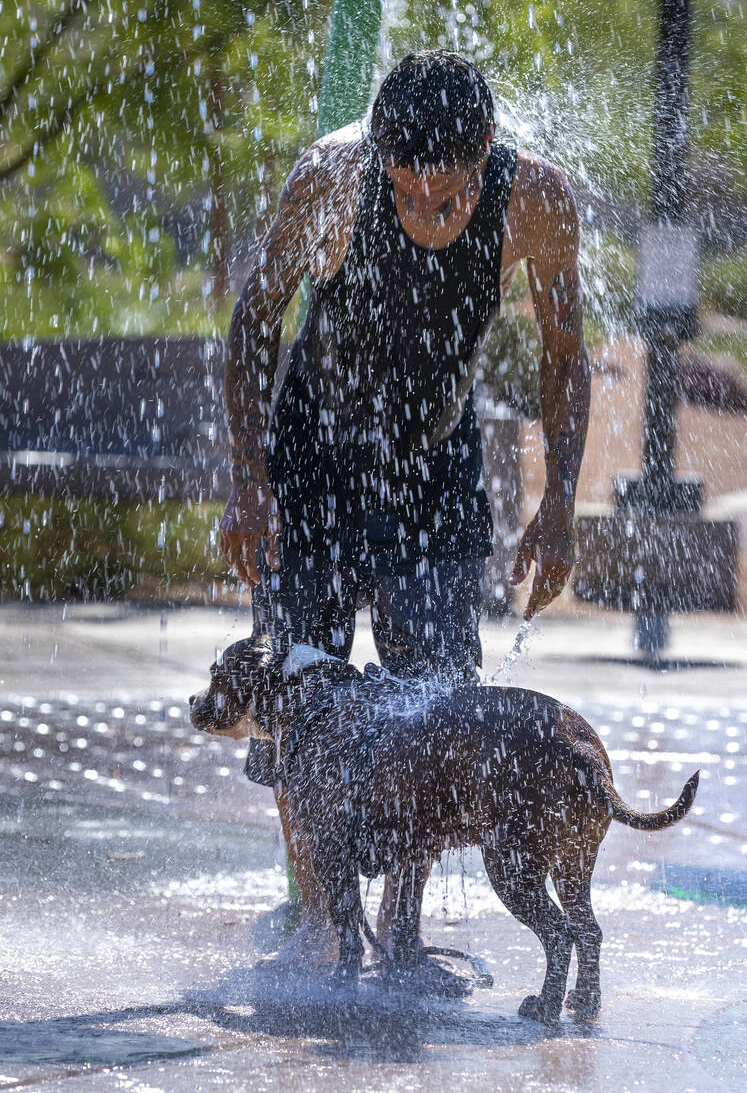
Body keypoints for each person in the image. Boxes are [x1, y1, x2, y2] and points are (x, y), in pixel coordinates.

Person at [219, 50, 590, 966]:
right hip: (312, 467)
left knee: (440, 705)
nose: (427, 213)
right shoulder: (332, 180)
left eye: (449, 198)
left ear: (487, 154)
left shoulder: (530, 202)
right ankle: (320, 921)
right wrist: (249, 481)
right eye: (409, 194)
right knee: (304, 694)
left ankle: (406, 928)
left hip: (432, 470)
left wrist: (560, 505)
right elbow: (253, 323)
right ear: (380, 158)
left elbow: (563, 353)